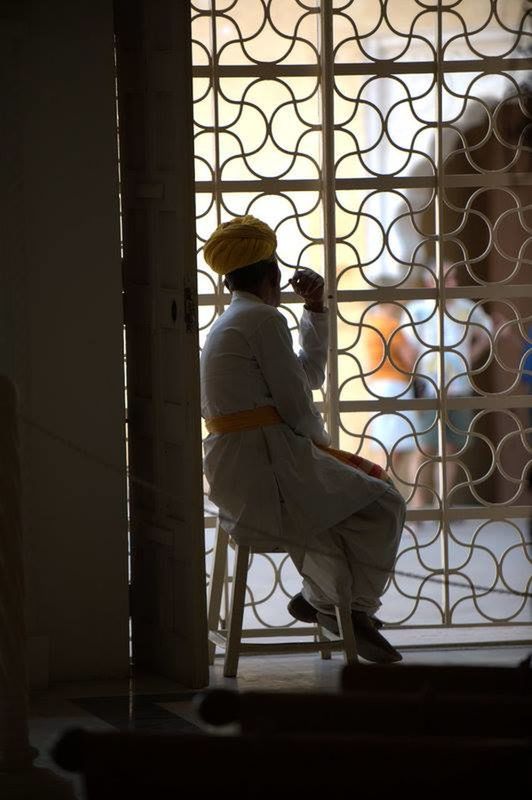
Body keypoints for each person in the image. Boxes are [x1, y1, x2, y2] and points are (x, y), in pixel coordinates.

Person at [200, 214, 406, 663]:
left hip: (244, 470)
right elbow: (297, 407)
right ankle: (349, 609)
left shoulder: (233, 320)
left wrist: (314, 311)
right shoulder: (263, 320)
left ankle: (324, 600)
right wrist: (325, 449)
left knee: (352, 501)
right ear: (272, 273)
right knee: (386, 502)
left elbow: (304, 377)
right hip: (269, 468)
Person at [402, 263, 512, 506]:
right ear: (430, 282)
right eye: (446, 278)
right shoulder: (417, 309)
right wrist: (415, 382)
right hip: (429, 387)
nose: (452, 283)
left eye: (453, 278)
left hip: (459, 388)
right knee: (424, 447)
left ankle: (443, 504)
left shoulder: (466, 307)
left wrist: (468, 359)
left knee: (451, 447)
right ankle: (418, 506)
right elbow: (407, 348)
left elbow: (489, 333)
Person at [364, 302, 418, 499]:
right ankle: (383, 496)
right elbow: (410, 359)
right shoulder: (391, 325)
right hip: (396, 386)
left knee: (389, 446)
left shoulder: (371, 325)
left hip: (377, 385)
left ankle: (383, 495)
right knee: (397, 447)